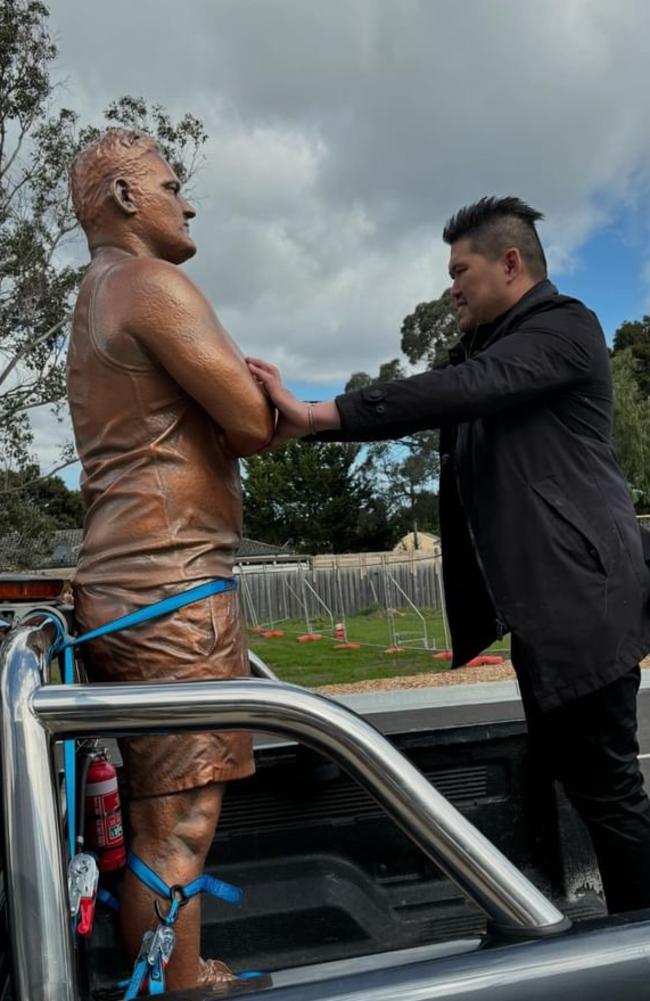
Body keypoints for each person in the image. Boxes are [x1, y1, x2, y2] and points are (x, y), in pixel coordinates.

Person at [248, 195, 650, 915]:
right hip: (547, 612)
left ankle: (636, 943)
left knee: (608, 790)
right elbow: (440, 390)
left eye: (460, 270)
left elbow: (458, 390)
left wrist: (313, 414)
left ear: (510, 263)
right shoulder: (490, 350)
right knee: (574, 775)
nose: (451, 286)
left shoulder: (566, 328)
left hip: (585, 598)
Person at [67, 128, 274, 989]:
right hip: (173, 590)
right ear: (124, 197)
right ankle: (181, 985)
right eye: (169, 182)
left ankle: (170, 973)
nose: (186, 202)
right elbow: (252, 423)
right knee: (180, 820)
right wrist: (256, 387)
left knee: (153, 808)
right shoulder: (152, 284)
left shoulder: (93, 295)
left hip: (122, 585)